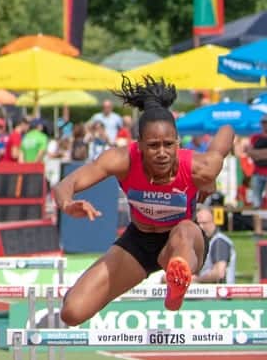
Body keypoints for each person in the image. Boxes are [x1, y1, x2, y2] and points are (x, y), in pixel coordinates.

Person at [56, 77, 234, 323]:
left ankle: (176, 285)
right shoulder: (121, 160)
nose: (162, 153)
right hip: (138, 242)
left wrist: (210, 179)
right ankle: (174, 273)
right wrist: (67, 203)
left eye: (168, 145)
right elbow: (67, 184)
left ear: (178, 143)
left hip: (182, 241)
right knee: (72, 313)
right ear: (138, 145)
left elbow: (227, 131)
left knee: (184, 231)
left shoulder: (198, 167)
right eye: (153, 146)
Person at [195, 201, 236, 285]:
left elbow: (219, 273)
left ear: (213, 222)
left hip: (219, 295)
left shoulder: (219, 242)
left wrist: (197, 280)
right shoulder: (205, 242)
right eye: (198, 223)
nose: (201, 227)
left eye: (204, 223)